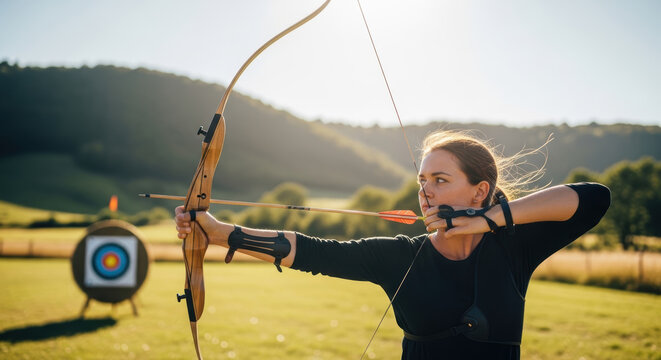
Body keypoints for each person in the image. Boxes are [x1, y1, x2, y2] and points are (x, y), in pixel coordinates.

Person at [174, 130, 610, 360]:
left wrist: (493, 219)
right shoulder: (401, 255)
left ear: (480, 191)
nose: (426, 193)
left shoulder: (513, 249)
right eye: (423, 181)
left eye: (441, 180)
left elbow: (594, 199)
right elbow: (314, 251)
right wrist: (221, 233)